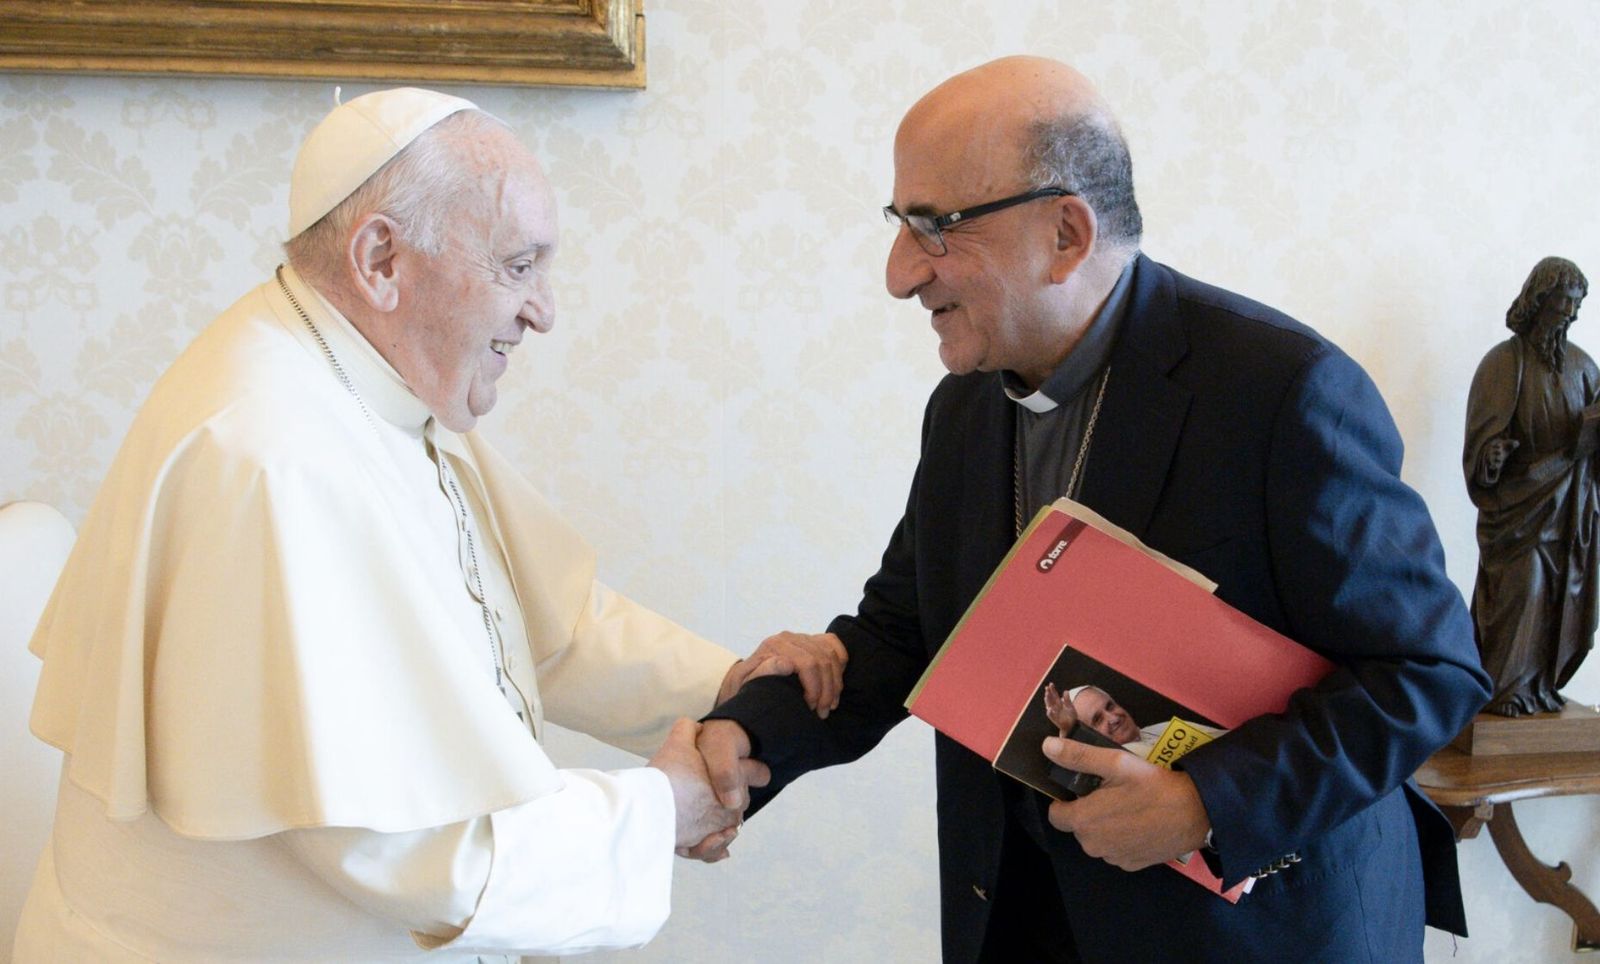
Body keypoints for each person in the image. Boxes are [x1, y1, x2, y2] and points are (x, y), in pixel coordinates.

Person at [12, 87, 843, 962]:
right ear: (381, 258)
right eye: (518, 267)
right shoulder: (267, 459)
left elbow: (541, 623)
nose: (544, 310)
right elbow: (401, 844)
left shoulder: (372, 386)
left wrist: (732, 688)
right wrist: (657, 811)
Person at [702, 56, 1490, 962]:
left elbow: (1428, 672)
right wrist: (743, 739)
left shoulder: (1283, 393)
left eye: (934, 228)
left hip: (1257, 933)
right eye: (900, 225)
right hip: (1023, 918)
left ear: (1066, 234)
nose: (898, 274)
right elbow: (906, 636)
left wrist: (1205, 804)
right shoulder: (964, 407)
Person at [1464, 256, 1597, 716]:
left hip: (1570, 506)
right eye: (1565, 300)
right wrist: (1491, 458)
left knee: (1560, 599)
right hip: (1519, 508)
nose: (1572, 313)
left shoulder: (1583, 367)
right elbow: (1482, 441)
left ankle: (1538, 686)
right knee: (1527, 588)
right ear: (1541, 297)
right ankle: (1503, 688)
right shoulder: (1504, 363)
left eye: (1578, 304)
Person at [1043, 683, 1222, 760]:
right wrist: (1070, 731)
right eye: (1097, 720)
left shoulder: (1164, 728)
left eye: (1110, 706)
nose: (1113, 718)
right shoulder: (1110, 770)